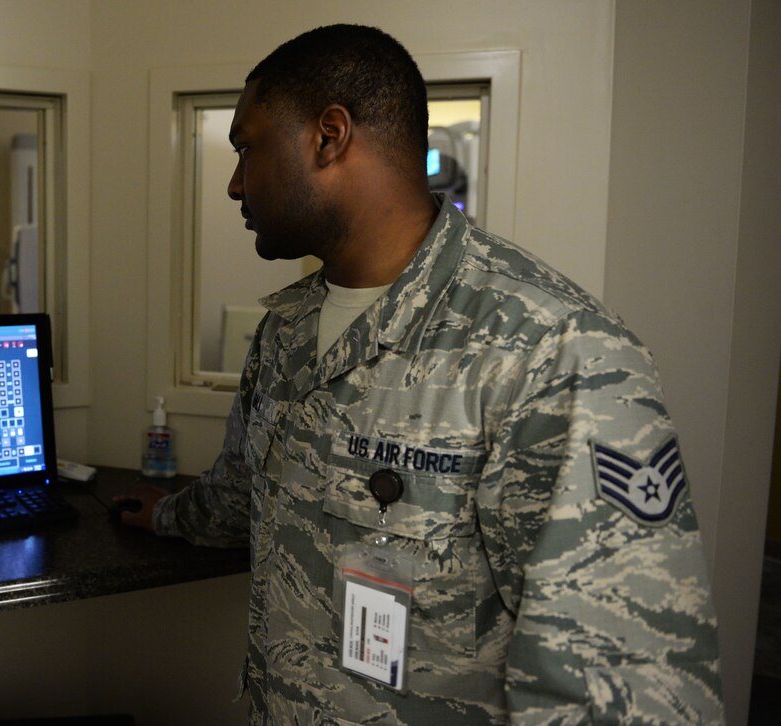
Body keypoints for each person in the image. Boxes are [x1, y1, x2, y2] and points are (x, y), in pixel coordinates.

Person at [118, 24, 724, 724]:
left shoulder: (551, 354)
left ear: (328, 136)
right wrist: (165, 514)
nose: (233, 183)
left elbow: (626, 692)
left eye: (247, 147)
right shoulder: (286, 333)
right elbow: (245, 491)